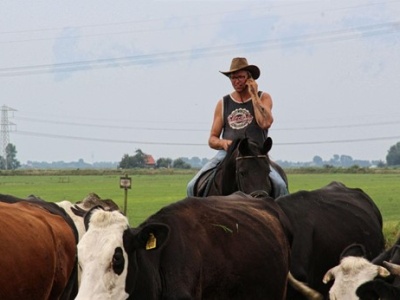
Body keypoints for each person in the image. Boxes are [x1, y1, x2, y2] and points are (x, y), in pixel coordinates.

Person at [186, 57, 288, 198]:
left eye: (240, 77)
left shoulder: (263, 97)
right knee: (192, 186)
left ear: (249, 78)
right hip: (228, 153)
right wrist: (224, 143)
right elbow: (212, 139)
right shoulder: (223, 103)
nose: (236, 81)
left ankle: (282, 217)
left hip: (256, 154)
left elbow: (265, 123)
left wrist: (253, 95)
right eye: (233, 78)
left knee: (280, 185)